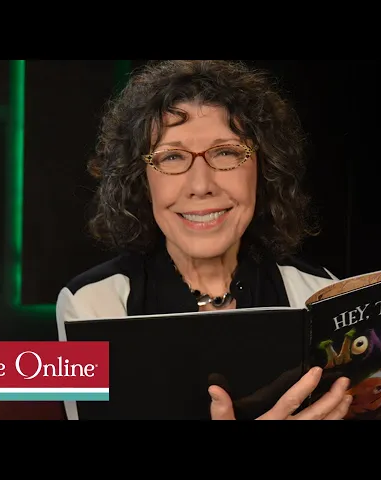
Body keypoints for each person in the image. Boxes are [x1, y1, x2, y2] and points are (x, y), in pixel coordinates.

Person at [56, 59, 352, 420]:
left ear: (263, 169)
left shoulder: (321, 294)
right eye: (172, 157)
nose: (201, 185)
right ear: (141, 180)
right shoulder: (90, 305)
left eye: (226, 152)